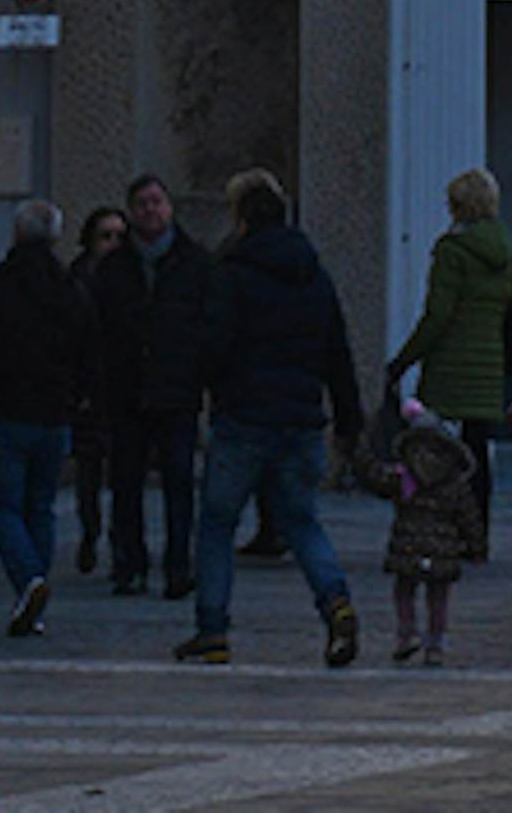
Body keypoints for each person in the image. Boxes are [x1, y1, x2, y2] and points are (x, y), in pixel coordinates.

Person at [171, 172, 359, 673]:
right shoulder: (314, 275)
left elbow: (213, 345)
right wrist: (349, 420)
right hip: (301, 419)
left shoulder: (231, 273)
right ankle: (334, 599)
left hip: (245, 418)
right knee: (301, 521)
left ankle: (213, 630)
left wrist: (199, 389)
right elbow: (336, 352)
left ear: (241, 219)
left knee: (216, 523)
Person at [0, 197, 92, 638]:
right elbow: (90, 351)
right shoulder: (70, 290)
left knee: (3, 507)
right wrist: (78, 399)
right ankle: (35, 590)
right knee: (40, 507)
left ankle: (28, 579)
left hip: (2, 412)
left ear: (15, 234)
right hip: (52, 414)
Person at [87, 175, 214, 599]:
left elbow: (208, 327)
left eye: (157, 202)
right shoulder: (113, 269)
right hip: (127, 390)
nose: (150, 210)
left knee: (180, 484)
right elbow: (98, 329)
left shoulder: (196, 263)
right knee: (126, 485)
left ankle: (179, 566)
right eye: (142, 204)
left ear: (169, 207)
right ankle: (130, 565)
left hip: (177, 391)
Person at [391, 167, 512, 514]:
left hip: (451, 367)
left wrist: (403, 361)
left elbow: (438, 316)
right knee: (476, 449)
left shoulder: (453, 251)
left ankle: (445, 526)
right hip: (488, 367)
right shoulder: (506, 251)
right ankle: (479, 532)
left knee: (436, 449)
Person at [373, 392, 486, 668]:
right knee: (438, 598)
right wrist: (477, 547)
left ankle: (406, 632)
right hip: (443, 548)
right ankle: (435, 643)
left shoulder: (404, 475)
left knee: (404, 590)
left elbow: (376, 481)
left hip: (407, 545)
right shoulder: (454, 480)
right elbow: (469, 516)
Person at [63, 206, 128, 573]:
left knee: (121, 470)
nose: (114, 244)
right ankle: (91, 532)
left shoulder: (130, 279)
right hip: (90, 388)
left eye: (120, 236)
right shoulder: (77, 280)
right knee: (89, 471)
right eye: (106, 236)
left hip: (120, 386)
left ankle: (118, 539)